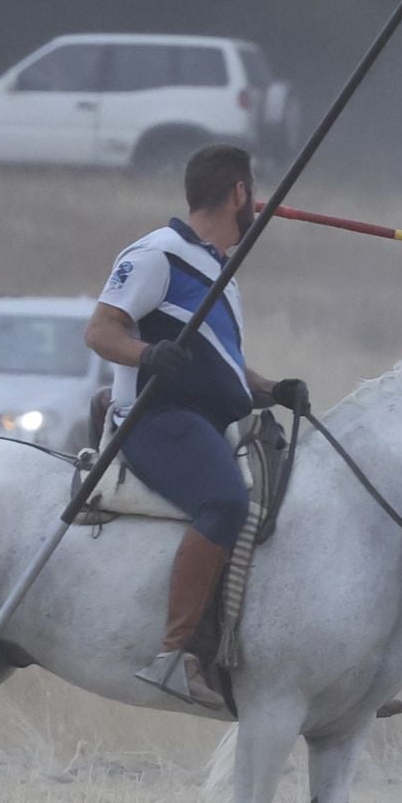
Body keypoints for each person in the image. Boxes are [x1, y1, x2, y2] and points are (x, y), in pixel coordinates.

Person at [83, 144, 307, 710]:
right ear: (238, 193)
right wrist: (147, 353)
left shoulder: (220, 273)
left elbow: (224, 369)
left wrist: (272, 389)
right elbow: (101, 331)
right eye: (251, 195)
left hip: (209, 422)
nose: (253, 206)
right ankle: (174, 655)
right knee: (225, 503)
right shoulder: (157, 255)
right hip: (156, 420)